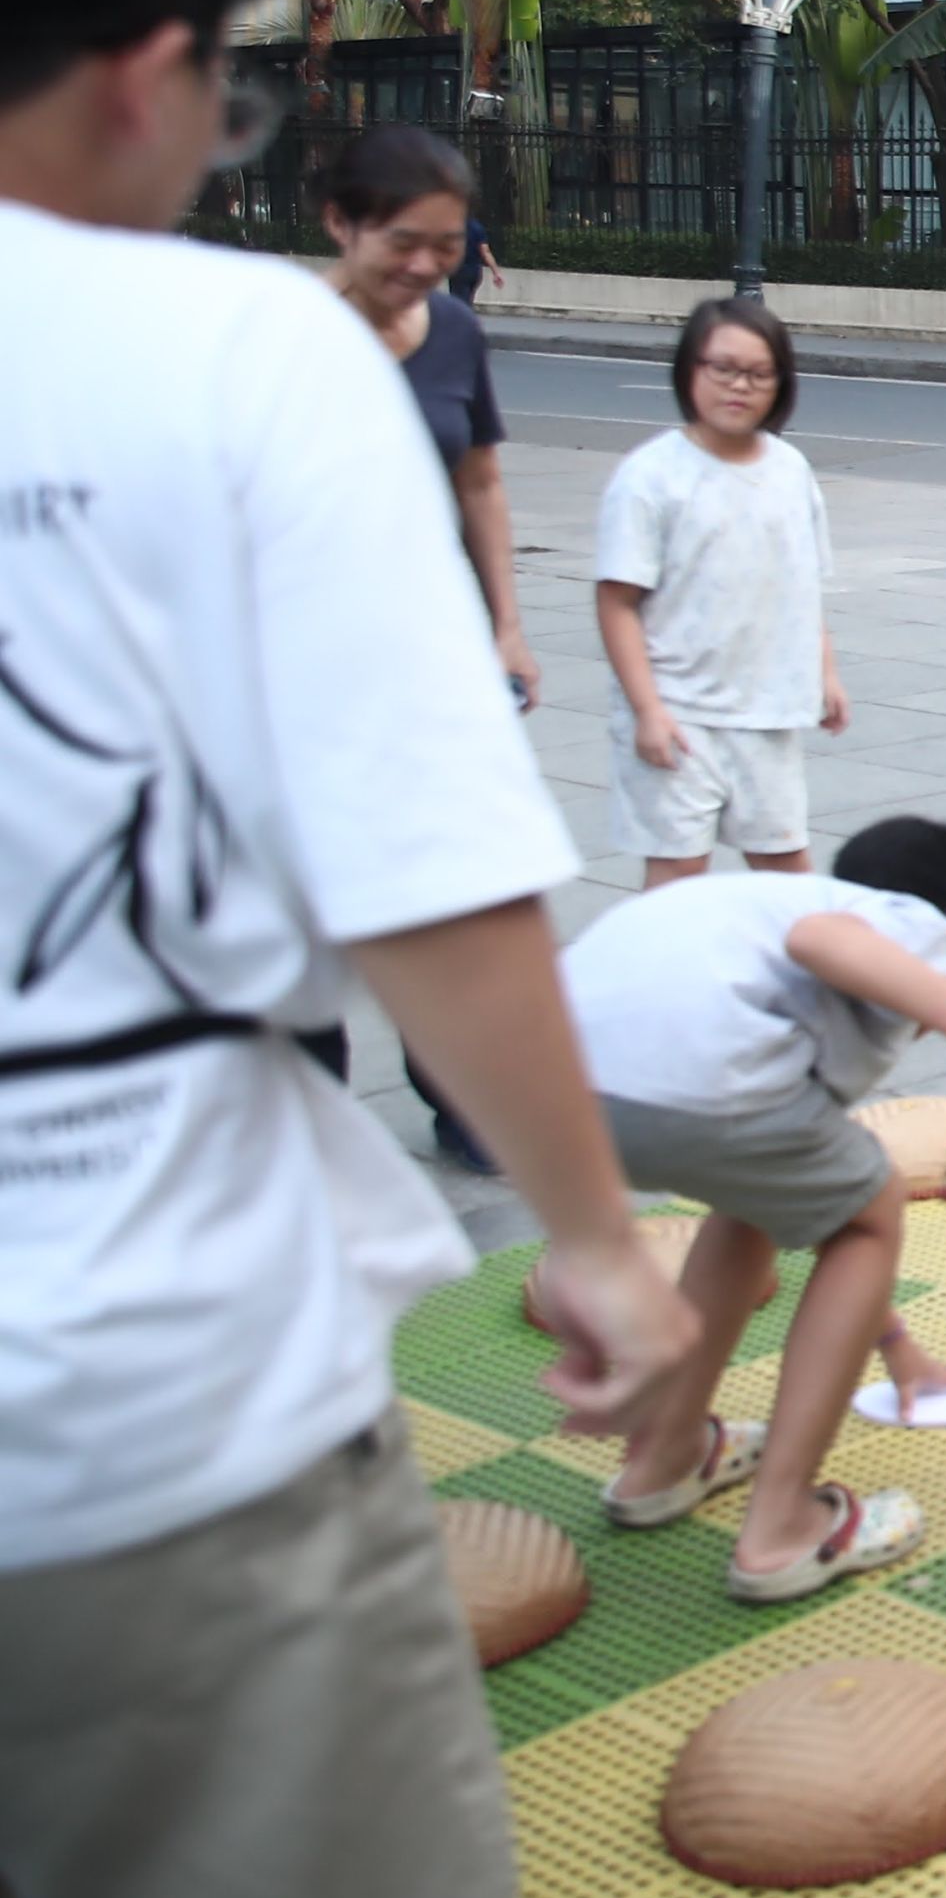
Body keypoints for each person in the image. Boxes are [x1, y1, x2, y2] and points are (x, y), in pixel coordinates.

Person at [0, 0, 694, 1898]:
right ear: (145, 69)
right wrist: (596, 1240)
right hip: (133, 1425)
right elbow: (429, 878)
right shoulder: (240, 350)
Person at [563, 818, 946, 1600]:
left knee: (767, 1197)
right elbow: (822, 940)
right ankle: (782, 1526)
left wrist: (896, 1345)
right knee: (872, 1203)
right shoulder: (906, 919)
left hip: (557, 1091)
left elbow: (805, 1199)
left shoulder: (757, 914)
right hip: (689, 1084)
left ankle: (663, 1460)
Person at [323, 122, 545, 1173]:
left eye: (445, 245)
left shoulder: (454, 330)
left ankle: (460, 1097)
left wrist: (506, 625)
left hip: (437, 655)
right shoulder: (285, 339)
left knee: (444, 890)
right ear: (341, 224)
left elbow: (481, 482)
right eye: (401, 242)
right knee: (313, 897)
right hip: (313, 665)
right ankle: (308, 1115)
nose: (423, 265)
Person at [598, 298, 845, 885]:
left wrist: (826, 674)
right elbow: (617, 602)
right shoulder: (650, 476)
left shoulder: (790, 470)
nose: (739, 386)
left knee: (785, 869)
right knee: (679, 870)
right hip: (679, 710)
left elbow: (801, 587)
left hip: (767, 713)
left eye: (759, 374)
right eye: (723, 369)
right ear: (691, 370)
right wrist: (648, 710)